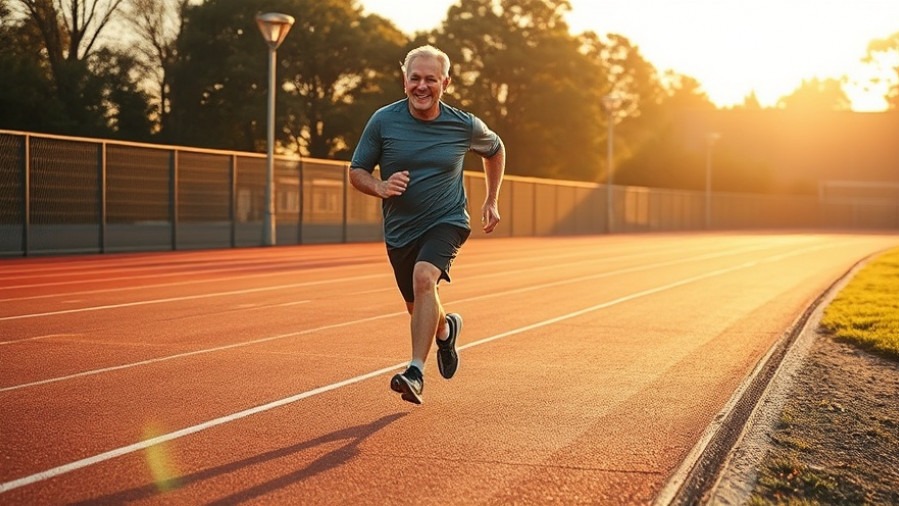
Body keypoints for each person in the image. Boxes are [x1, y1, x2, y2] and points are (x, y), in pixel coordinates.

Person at [349, 45, 506, 404]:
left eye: (431, 79)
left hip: (447, 220)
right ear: (404, 81)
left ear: (445, 83)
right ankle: (446, 329)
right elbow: (356, 171)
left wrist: (491, 198)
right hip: (400, 231)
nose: (422, 86)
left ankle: (416, 372)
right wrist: (381, 187)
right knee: (418, 303)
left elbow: (496, 149)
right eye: (415, 78)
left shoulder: (463, 125)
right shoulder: (383, 121)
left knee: (425, 278)